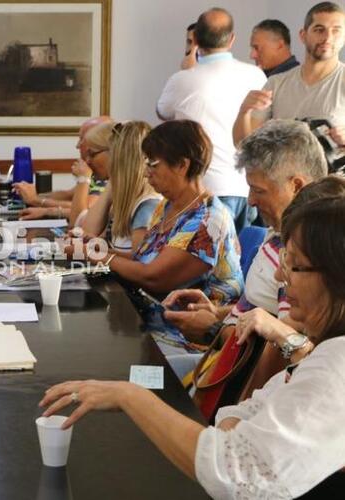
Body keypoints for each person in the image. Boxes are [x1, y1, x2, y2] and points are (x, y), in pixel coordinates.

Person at [40, 195, 345, 499]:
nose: (280, 276)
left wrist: (130, 395)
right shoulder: (326, 353)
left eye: (294, 266)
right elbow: (242, 412)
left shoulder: (335, 367)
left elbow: (234, 474)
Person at [163, 120, 327, 340]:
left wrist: (212, 329)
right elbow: (261, 315)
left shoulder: (302, 257)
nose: (250, 201)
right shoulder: (278, 232)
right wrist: (217, 312)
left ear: (296, 186)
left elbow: (280, 346)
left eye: (258, 191)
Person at [89, 120, 243, 306]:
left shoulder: (209, 221)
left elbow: (153, 278)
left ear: (182, 165)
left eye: (153, 164)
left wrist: (96, 255)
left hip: (186, 326)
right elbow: (144, 259)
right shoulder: (167, 206)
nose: (146, 173)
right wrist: (99, 249)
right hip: (153, 312)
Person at [157, 8, 267, 233]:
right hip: (245, 187)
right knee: (242, 262)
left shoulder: (182, 79)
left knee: (200, 265)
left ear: (195, 39)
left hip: (202, 189)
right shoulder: (256, 76)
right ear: (232, 39)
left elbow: (163, 112)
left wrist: (186, 72)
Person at [234, 2, 345, 145]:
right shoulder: (276, 83)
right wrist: (244, 111)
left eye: (336, 31)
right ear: (303, 35)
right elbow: (244, 145)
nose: (328, 38)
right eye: (319, 30)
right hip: (280, 167)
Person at [72, 121, 161, 255]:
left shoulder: (147, 206)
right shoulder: (122, 196)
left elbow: (139, 263)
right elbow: (88, 231)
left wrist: (96, 251)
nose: (87, 161)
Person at [20, 120, 116, 220]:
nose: (78, 145)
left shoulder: (107, 177)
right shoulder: (99, 174)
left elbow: (86, 211)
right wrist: (36, 196)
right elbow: (69, 194)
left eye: (82, 139)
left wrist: (37, 201)